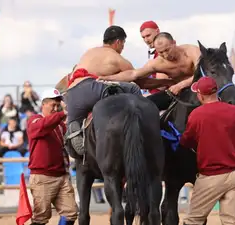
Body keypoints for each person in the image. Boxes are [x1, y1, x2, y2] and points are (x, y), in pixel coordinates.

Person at [62, 25, 174, 155]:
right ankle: (142, 126)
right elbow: (140, 82)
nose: (122, 48)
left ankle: (74, 129)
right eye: (123, 44)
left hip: (72, 94)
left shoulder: (89, 52)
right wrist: (169, 82)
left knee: (75, 124)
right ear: (118, 42)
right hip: (92, 87)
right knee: (132, 88)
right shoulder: (116, 58)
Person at [179, 77, 235, 225]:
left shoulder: (196, 114)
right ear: (216, 92)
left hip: (211, 176)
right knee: (231, 221)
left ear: (200, 95)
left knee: (193, 220)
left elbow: (186, 142)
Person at [98, 32, 201, 111]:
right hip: (178, 93)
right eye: (161, 52)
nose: (166, 55)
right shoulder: (157, 63)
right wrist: (107, 78)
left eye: (167, 50)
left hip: (200, 89)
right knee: (144, 105)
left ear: (174, 43)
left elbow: (202, 73)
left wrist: (181, 85)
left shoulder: (191, 51)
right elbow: (133, 74)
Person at [27, 88, 78, 225]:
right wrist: (62, 114)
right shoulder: (34, 120)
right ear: (43, 104)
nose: (56, 108)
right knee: (40, 218)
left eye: (58, 105)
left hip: (61, 175)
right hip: (42, 177)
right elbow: (43, 126)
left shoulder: (60, 124)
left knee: (70, 214)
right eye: (52, 105)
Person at [139, 21, 169, 95]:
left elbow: (162, 86)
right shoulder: (156, 53)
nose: (146, 40)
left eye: (148, 35)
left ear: (157, 31)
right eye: (143, 37)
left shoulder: (163, 53)